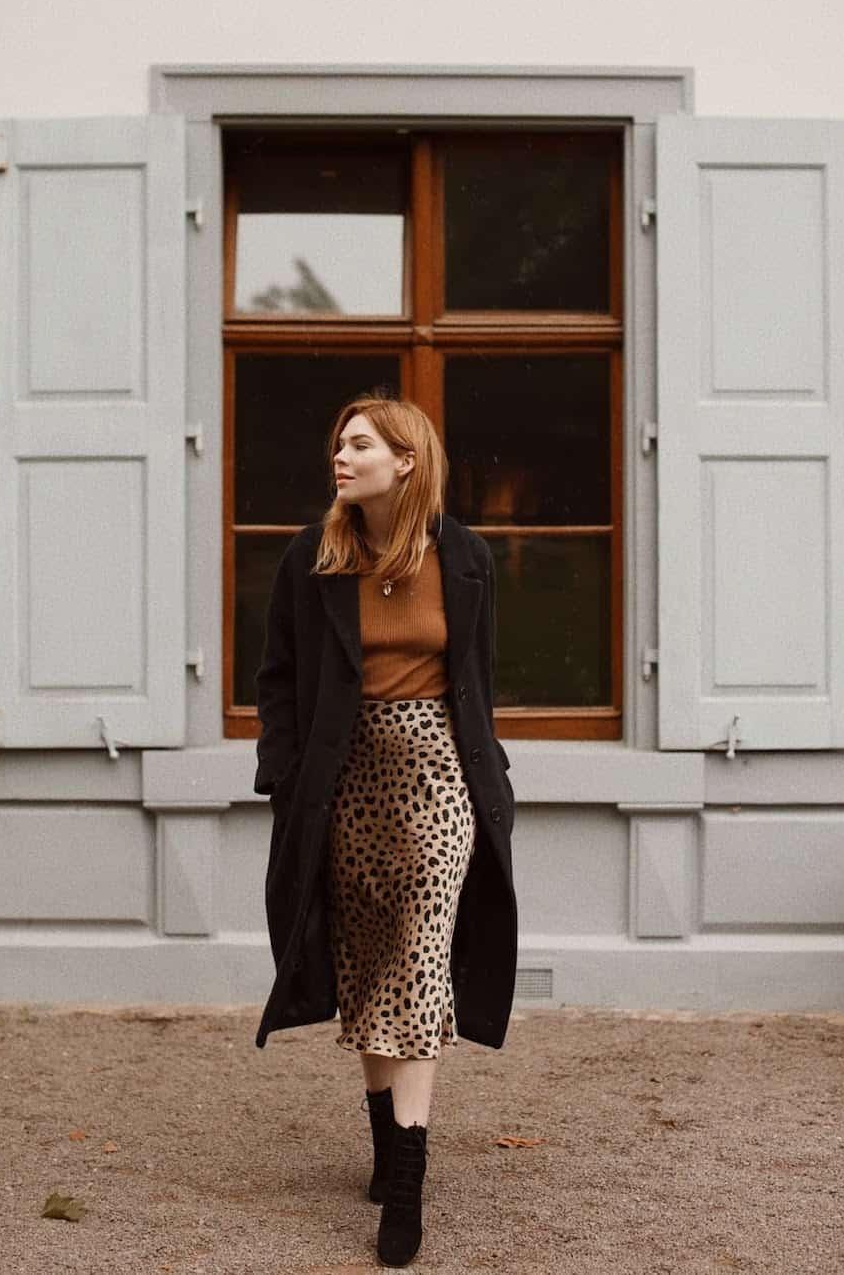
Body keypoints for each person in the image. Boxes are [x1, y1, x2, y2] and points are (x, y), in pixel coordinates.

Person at [253, 392, 518, 1268]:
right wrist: (286, 778)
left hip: (441, 776)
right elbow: (280, 677)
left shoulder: (466, 557)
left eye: (360, 443)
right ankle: (382, 1143)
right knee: (366, 965)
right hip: (344, 780)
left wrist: (491, 779)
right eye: (339, 443)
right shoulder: (313, 557)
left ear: (406, 460)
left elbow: (475, 680)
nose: (342, 454)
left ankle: (406, 1179)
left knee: (418, 958)